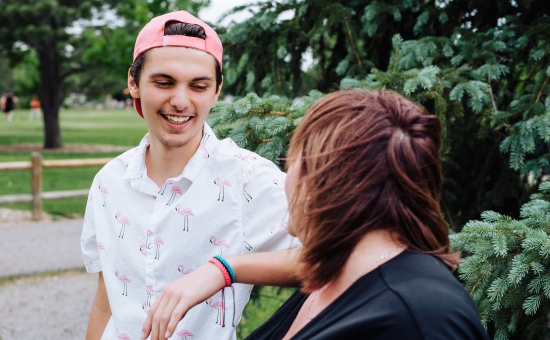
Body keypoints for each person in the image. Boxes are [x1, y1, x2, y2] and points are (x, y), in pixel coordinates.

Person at [142, 89, 489, 340]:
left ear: (321, 180)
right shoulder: (341, 270)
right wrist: (223, 268)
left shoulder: (421, 318)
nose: (285, 179)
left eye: (293, 164)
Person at [80, 10, 299, 340]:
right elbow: (105, 303)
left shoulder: (248, 181)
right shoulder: (108, 182)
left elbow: (335, 257)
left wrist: (223, 271)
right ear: (133, 83)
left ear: (217, 90)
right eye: (163, 82)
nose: (180, 101)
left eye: (198, 86)